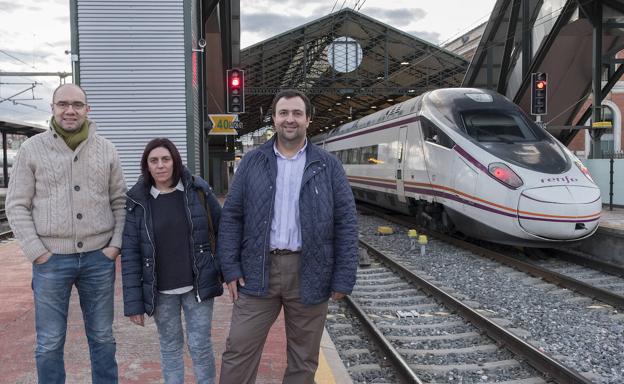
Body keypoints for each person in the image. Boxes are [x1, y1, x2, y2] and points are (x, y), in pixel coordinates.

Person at [217, 89, 359, 384]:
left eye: (296, 113)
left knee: (303, 359)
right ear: (274, 119)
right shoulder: (253, 162)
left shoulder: (328, 165)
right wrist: (230, 267)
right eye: (284, 113)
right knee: (238, 349)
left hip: (311, 271)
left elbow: (346, 222)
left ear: (308, 119)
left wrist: (344, 276)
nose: (289, 119)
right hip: (258, 270)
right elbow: (231, 216)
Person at [6, 83, 126, 383]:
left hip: (99, 259)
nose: (69, 110)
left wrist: (114, 246)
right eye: (63, 104)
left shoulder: (107, 149)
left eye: (77, 104)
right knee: (49, 342)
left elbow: (120, 202)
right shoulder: (32, 149)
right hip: (51, 261)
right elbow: (17, 205)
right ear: (53, 108)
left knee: (102, 337)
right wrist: (38, 252)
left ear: (88, 109)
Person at [121, 138, 223, 384]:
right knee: (170, 348)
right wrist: (134, 305)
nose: (160, 165)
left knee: (200, 345)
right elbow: (131, 254)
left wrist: (218, 269)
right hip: (161, 291)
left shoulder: (198, 191)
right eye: (154, 160)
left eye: (165, 159)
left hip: (197, 287)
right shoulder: (137, 202)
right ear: (146, 165)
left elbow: (222, 231)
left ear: (175, 161)